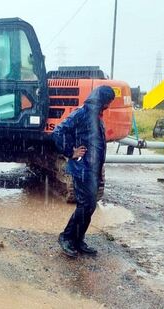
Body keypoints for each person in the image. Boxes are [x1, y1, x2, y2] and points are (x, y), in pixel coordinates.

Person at [51, 85, 115, 258]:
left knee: (90, 206)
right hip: (82, 168)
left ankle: (78, 239)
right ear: (101, 100)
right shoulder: (83, 113)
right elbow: (58, 132)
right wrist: (70, 152)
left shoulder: (96, 116)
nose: (108, 106)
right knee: (85, 205)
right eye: (108, 102)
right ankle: (66, 237)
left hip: (92, 169)